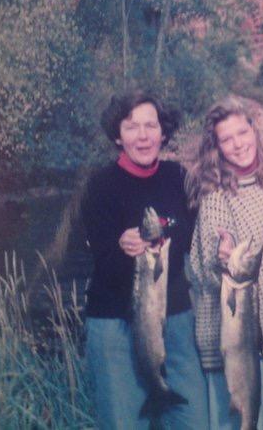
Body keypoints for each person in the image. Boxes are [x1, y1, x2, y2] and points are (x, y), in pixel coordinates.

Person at [81, 91, 208, 429]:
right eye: (132, 126)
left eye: (150, 125)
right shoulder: (100, 186)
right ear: (117, 136)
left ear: (163, 132)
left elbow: (199, 238)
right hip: (115, 324)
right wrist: (120, 246)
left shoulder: (178, 177)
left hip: (176, 318)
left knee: (194, 419)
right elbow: (98, 259)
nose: (143, 135)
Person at [185, 97, 263, 430]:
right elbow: (203, 271)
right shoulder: (214, 197)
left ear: (255, 131)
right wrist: (221, 259)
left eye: (242, 132)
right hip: (233, 347)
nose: (238, 144)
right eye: (227, 139)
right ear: (216, 148)